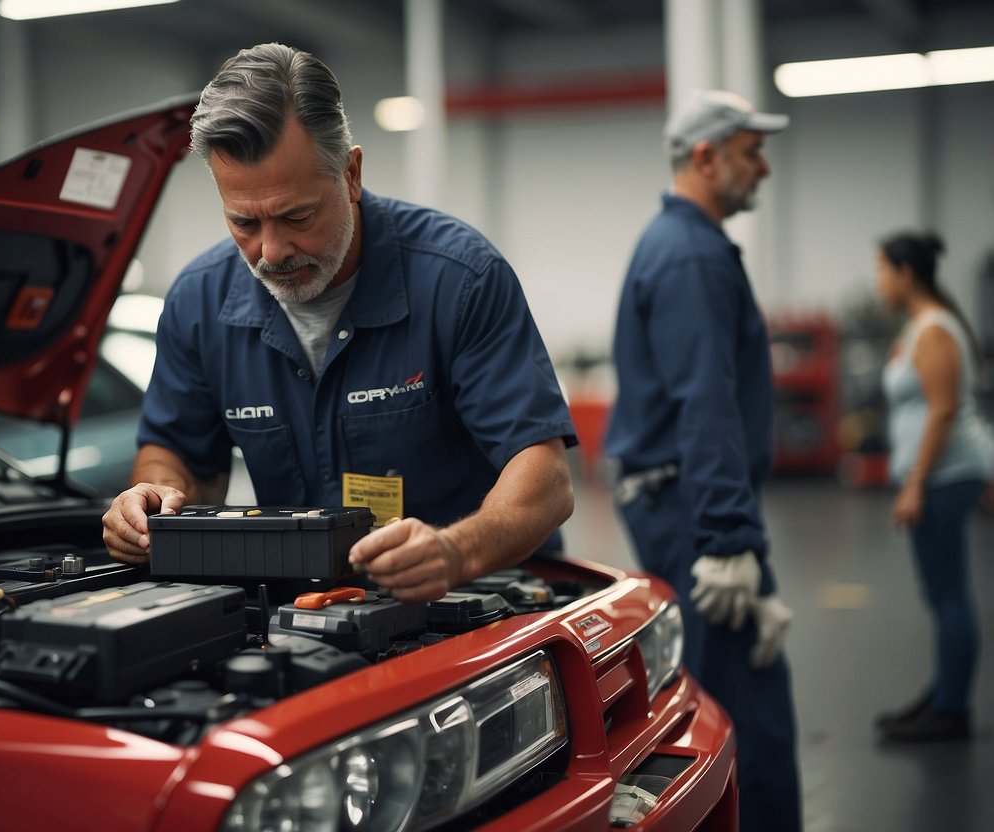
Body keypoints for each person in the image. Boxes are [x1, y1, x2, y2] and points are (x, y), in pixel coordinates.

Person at [101, 43, 576, 602]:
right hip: (304, 608)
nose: (271, 251)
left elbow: (545, 480)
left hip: (474, 601)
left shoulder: (460, 280)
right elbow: (176, 455)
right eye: (243, 221)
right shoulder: (198, 303)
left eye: (296, 216)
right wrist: (154, 496)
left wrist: (456, 551)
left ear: (350, 173)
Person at [603, 90, 801, 831]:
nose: (764, 168)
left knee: (728, 696)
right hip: (694, 513)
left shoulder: (679, 244)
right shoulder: (690, 256)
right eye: (751, 152)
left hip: (684, 506)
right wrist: (727, 541)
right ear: (705, 157)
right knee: (748, 715)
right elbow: (705, 401)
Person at [873, 231, 994, 742]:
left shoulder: (935, 329)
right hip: (937, 476)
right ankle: (943, 695)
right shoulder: (922, 326)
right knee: (940, 594)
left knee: (949, 595)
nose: (877, 281)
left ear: (905, 273)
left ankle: (951, 710)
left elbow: (944, 410)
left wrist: (915, 483)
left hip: (945, 476)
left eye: (882, 270)